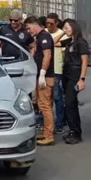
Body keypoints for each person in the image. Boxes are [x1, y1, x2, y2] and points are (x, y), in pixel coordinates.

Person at [55, 19, 89, 145]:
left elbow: (85, 62)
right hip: (66, 73)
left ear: (74, 28)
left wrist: (82, 79)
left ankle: (75, 132)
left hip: (75, 74)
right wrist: (63, 33)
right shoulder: (69, 41)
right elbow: (55, 43)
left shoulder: (81, 43)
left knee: (70, 103)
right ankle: (73, 130)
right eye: (64, 28)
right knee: (70, 104)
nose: (65, 30)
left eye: (67, 28)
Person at [24, 16, 55, 146]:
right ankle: (46, 131)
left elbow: (47, 55)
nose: (28, 31)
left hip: (46, 76)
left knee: (45, 105)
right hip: (41, 75)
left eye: (29, 28)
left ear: (34, 24)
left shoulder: (44, 37)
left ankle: (49, 135)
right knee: (42, 104)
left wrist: (42, 73)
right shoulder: (40, 37)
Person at [46, 13, 67, 134]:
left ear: (57, 23)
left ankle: (59, 123)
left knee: (58, 97)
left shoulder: (62, 36)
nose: (49, 25)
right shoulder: (44, 32)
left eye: (51, 23)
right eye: (47, 23)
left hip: (57, 71)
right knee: (45, 99)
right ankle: (46, 123)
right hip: (45, 70)